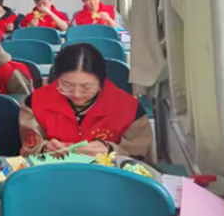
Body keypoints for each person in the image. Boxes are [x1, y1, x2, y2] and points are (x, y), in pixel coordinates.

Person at [19, 43, 151, 157]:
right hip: (52, 172)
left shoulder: (129, 108)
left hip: (108, 174)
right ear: (56, 78)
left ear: (101, 81)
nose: (77, 94)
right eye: (67, 85)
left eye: (86, 87)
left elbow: (140, 153)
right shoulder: (35, 102)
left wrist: (111, 150)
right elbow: (28, 148)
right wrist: (44, 148)